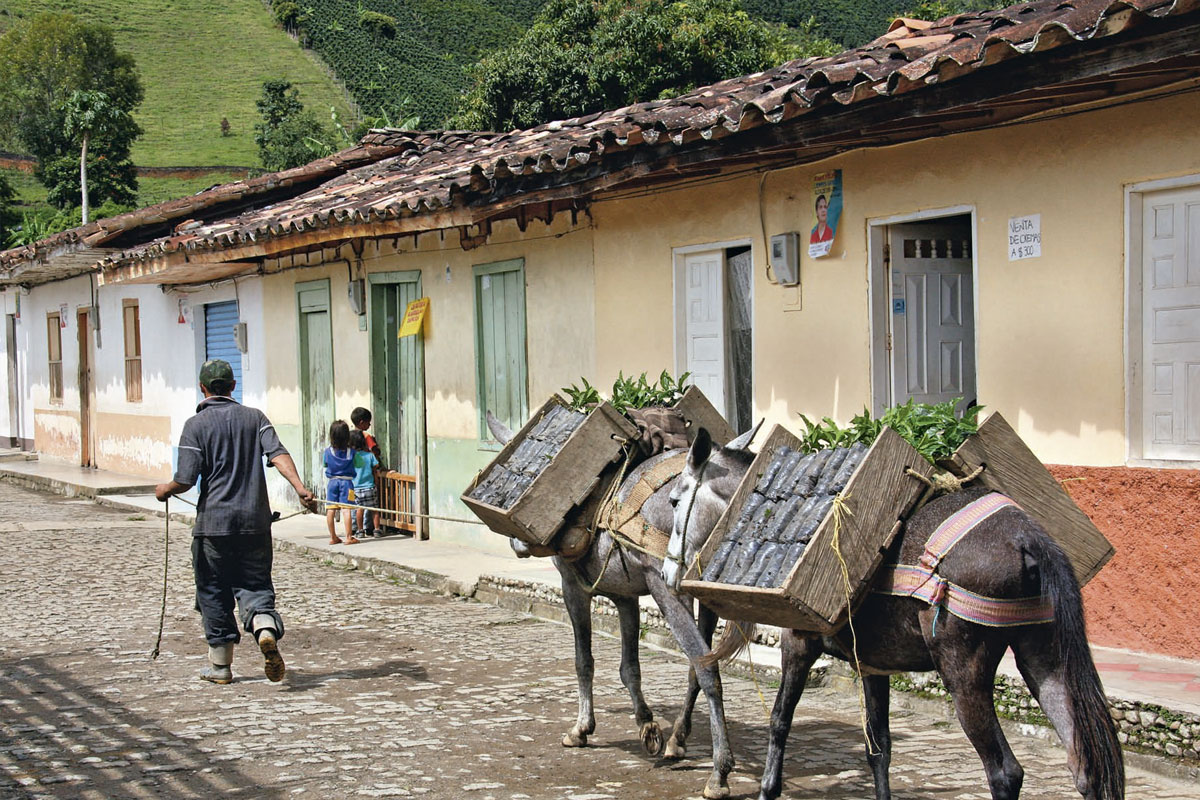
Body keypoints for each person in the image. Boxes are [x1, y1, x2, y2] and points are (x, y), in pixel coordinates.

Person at [155, 359, 316, 685]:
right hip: (255, 524)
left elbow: (185, 479)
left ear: (202, 388)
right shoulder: (255, 418)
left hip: (213, 526)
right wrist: (300, 488)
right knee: (255, 584)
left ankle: (221, 667)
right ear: (232, 386)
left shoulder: (195, 425)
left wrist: (165, 490)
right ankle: (264, 628)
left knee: (213, 591)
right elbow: (278, 454)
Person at [324, 420, 359, 545]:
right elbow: (359, 464)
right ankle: (349, 537)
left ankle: (333, 537)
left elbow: (325, 464)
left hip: (332, 483)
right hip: (347, 483)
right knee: (346, 509)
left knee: (330, 509)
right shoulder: (352, 452)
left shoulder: (327, 452)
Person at [349, 429, 380, 538]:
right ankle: (377, 530)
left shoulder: (351, 457)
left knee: (359, 510)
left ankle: (360, 530)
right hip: (370, 487)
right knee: (374, 509)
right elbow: (375, 467)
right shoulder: (370, 456)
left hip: (356, 488)